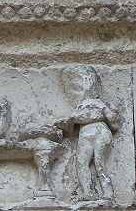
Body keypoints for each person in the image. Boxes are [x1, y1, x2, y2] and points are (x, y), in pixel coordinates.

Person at [55, 65, 120, 201]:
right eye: (73, 86)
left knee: (99, 163)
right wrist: (65, 124)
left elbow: (114, 123)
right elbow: (71, 128)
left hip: (100, 132)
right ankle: (88, 192)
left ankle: (108, 193)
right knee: (81, 163)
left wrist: (105, 114)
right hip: (85, 135)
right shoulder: (80, 107)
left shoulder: (99, 103)